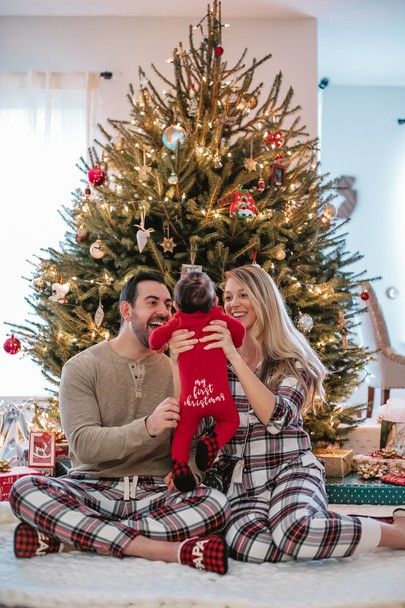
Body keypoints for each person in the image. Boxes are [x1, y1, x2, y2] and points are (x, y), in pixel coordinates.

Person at [169, 264, 405, 563]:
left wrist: (233, 356)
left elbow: (277, 417)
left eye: (244, 295)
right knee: (247, 546)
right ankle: (323, 524)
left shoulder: (291, 360)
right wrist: (178, 363)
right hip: (243, 485)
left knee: (294, 532)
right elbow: (195, 416)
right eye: (227, 296)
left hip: (290, 470)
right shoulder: (212, 357)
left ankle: (394, 531)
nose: (233, 304)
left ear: (263, 299)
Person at [9, 272, 230, 574]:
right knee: (25, 490)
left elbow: (193, 444)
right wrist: (147, 426)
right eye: (152, 303)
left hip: (154, 495)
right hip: (90, 490)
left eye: (168, 304)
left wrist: (188, 470)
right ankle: (161, 550)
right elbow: (84, 446)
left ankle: (76, 539)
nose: (164, 312)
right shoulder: (82, 367)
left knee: (214, 504)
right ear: (127, 310)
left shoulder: (178, 368)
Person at [149, 271, 245, 492]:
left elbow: (154, 342)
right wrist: (225, 329)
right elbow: (239, 333)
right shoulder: (218, 317)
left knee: (182, 434)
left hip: (191, 400)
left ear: (176, 305)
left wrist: (172, 327)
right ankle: (211, 441)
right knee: (231, 421)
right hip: (218, 396)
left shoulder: (178, 322)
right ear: (214, 300)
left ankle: (180, 468)